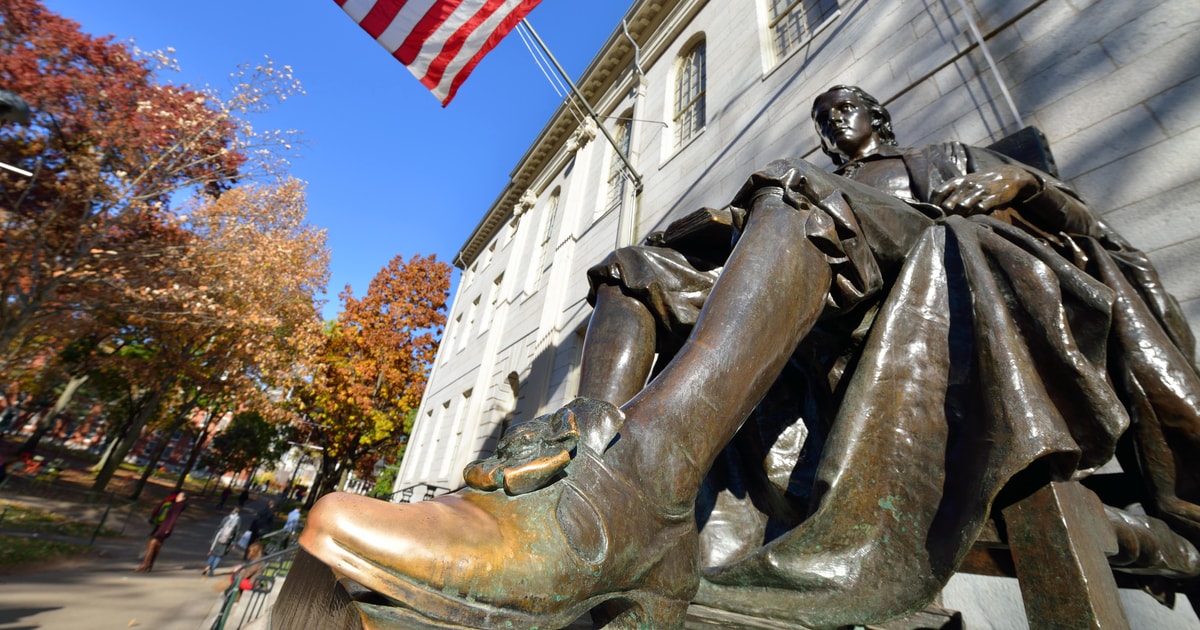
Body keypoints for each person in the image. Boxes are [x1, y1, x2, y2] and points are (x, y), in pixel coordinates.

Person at [298, 86, 1200, 628]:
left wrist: (1024, 183)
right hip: (823, 325)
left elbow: (1078, 234)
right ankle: (594, 457)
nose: (835, 119)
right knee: (636, 264)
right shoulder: (809, 185)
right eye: (825, 115)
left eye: (846, 107)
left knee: (801, 197)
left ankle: (625, 516)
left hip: (932, 312)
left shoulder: (937, 159)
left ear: (877, 118)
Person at [135, 490, 188, 573]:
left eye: (179, 496)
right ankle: (149, 565)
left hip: (165, 527)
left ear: (184, 498)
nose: (177, 497)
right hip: (163, 525)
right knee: (157, 545)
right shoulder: (177, 504)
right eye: (177, 496)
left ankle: (144, 564)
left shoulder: (179, 506)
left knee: (153, 542)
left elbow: (174, 518)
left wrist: (168, 529)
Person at [203, 507, 242, 576]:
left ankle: (208, 566)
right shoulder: (238, 521)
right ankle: (211, 571)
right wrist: (233, 543)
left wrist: (214, 538)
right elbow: (236, 533)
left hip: (218, 538)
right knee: (219, 556)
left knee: (213, 553)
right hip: (227, 541)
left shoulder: (226, 518)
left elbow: (219, 527)